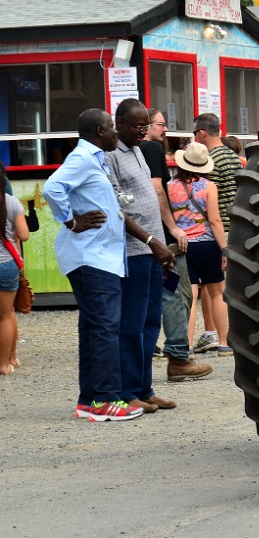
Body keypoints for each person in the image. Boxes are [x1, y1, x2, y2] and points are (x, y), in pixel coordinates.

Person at [42, 109, 144, 421]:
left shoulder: (92, 159)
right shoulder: (84, 158)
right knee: (104, 329)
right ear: (100, 131)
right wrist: (71, 221)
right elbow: (51, 188)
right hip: (92, 258)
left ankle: (89, 399)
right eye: (113, 127)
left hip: (96, 258)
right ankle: (104, 401)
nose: (116, 132)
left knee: (93, 328)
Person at [107, 99, 177, 414]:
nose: (143, 131)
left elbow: (147, 201)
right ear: (119, 122)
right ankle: (127, 391)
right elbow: (116, 210)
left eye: (146, 126)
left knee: (150, 323)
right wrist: (151, 240)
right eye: (137, 126)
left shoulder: (138, 150)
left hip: (152, 251)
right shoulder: (110, 156)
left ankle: (145, 389)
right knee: (131, 325)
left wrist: (161, 244)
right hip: (133, 252)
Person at [140, 109, 212, 382]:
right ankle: (179, 357)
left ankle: (162, 355)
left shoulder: (130, 152)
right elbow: (157, 189)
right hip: (163, 241)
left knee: (156, 294)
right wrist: (172, 228)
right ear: (146, 126)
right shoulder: (153, 151)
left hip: (141, 236)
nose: (165, 128)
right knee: (176, 294)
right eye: (160, 124)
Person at [168, 143, 230, 356]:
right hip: (207, 245)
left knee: (190, 295)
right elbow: (214, 220)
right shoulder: (208, 186)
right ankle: (223, 343)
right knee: (217, 292)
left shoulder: (169, 186)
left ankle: (188, 346)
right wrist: (224, 249)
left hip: (182, 245)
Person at [191, 113, 240, 354]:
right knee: (220, 286)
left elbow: (206, 196)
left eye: (194, 134)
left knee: (212, 288)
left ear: (201, 133)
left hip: (217, 228)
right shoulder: (232, 155)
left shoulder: (210, 159)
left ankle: (214, 334)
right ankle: (220, 334)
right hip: (234, 225)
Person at [0, 162, 29, 376]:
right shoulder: (11, 202)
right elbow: (24, 234)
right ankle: (6, 362)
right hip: (6, 265)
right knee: (6, 314)